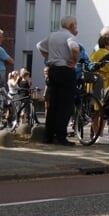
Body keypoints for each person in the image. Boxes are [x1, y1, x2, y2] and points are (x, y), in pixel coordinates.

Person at [36, 16, 81, 146]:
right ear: (71, 25)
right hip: (65, 70)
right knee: (66, 105)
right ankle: (61, 136)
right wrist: (73, 60)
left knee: (53, 104)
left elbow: (39, 45)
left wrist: (49, 56)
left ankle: (48, 136)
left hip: (53, 70)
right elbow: (75, 49)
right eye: (76, 25)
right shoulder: (70, 37)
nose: (76, 27)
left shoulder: (53, 35)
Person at [91, 35, 109, 141]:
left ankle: (95, 133)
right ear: (107, 45)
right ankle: (99, 134)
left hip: (93, 85)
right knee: (104, 112)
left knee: (94, 113)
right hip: (106, 86)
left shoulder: (94, 54)